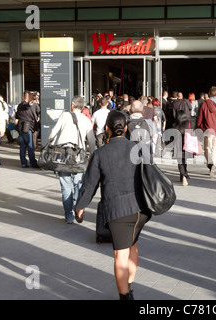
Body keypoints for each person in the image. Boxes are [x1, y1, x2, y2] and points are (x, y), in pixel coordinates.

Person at [74, 111, 150, 300]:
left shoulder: (100, 154)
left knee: (120, 256)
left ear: (107, 129)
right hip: (142, 210)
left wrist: (80, 206)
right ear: (125, 128)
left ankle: (125, 296)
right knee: (133, 247)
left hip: (118, 212)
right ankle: (129, 286)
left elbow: (90, 184)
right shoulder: (139, 148)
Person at [48, 96, 96, 224]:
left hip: (63, 155)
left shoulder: (64, 116)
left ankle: (69, 215)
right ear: (83, 107)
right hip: (79, 156)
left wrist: (50, 143)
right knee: (79, 184)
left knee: (66, 186)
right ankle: (77, 208)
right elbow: (91, 141)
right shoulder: (86, 120)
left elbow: (53, 132)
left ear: (72, 105)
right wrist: (92, 156)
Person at [196, 86, 216, 179]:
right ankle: (213, 164)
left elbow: (200, 118)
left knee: (207, 149)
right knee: (214, 149)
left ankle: (210, 164)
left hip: (207, 130)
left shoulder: (204, 104)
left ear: (209, 93)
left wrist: (198, 127)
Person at [15, 91, 39, 168]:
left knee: (22, 146)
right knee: (30, 146)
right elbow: (28, 106)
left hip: (21, 127)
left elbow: (17, 115)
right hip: (28, 128)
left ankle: (24, 163)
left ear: (23, 97)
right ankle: (33, 162)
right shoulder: (29, 105)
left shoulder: (19, 105)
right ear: (29, 98)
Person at [173, 110, 193, 186]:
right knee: (184, 160)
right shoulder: (188, 123)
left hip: (178, 144)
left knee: (180, 161)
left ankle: (183, 175)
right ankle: (184, 174)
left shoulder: (175, 125)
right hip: (186, 143)